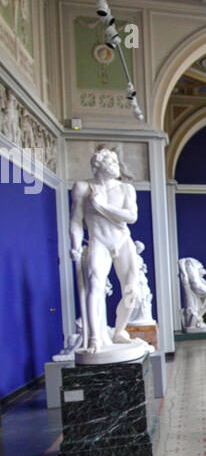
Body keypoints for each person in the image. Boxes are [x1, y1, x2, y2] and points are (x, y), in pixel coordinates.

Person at [69, 146, 142, 354]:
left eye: (116, 162)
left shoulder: (126, 189)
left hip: (122, 241)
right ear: (98, 166)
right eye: (111, 162)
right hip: (98, 242)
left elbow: (131, 217)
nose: (116, 166)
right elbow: (75, 220)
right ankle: (94, 338)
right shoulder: (83, 188)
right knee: (94, 286)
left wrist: (102, 207)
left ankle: (119, 330)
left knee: (132, 291)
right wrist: (75, 246)